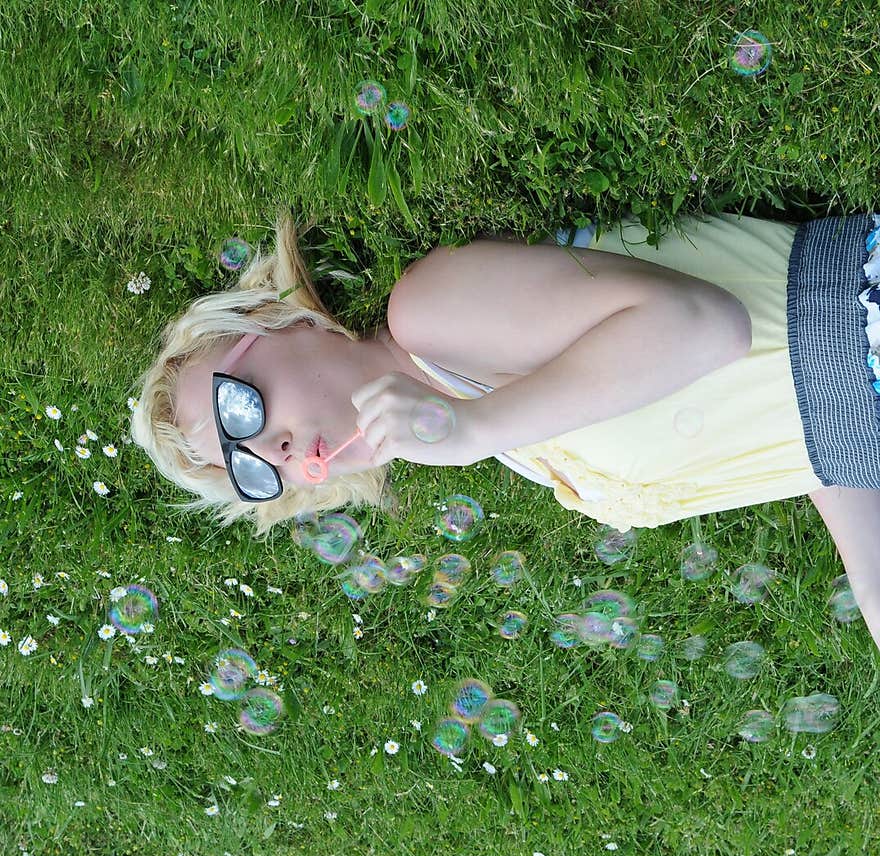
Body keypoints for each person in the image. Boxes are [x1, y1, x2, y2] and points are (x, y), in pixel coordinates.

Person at [130, 207, 880, 649]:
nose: (269, 450)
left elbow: (708, 328)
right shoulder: (506, 441)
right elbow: (778, 422)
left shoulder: (429, 316)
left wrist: (470, 428)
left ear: (274, 321)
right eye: (249, 472)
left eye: (240, 407)